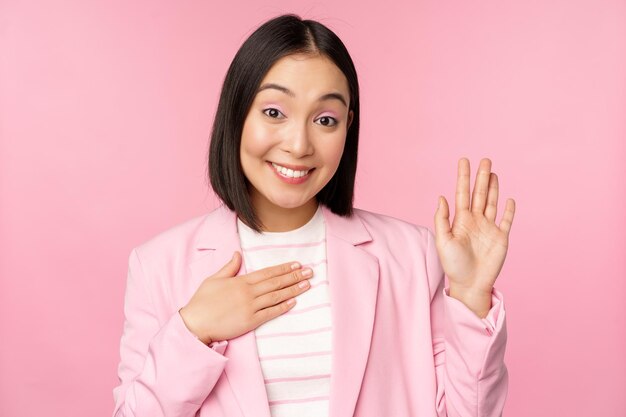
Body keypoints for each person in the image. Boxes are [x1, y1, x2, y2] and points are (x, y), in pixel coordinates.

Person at [112, 13, 515, 417]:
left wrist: (471, 296)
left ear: (347, 128)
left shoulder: (413, 255)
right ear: (237, 114)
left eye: (325, 120)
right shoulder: (157, 266)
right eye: (274, 113)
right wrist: (194, 330)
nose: (299, 144)